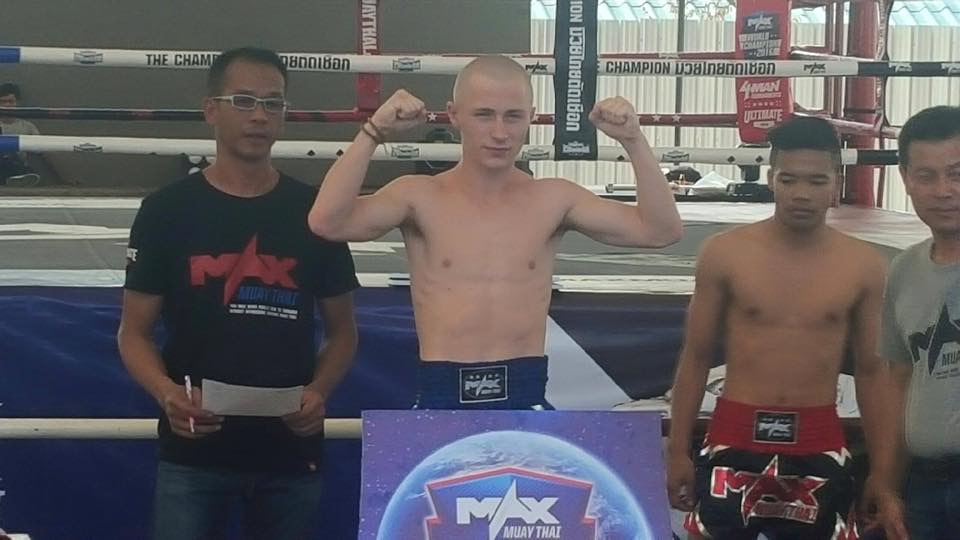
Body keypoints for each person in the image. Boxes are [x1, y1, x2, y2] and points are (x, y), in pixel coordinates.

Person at [309, 55, 681, 410]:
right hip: (441, 388)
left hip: (524, 389)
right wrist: (373, 133)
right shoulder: (418, 196)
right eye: (484, 115)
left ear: (531, 117)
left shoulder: (554, 199)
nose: (500, 133)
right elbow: (327, 221)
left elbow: (660, 231)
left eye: (513, 116)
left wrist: (633, 140)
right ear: (454, 114)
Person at [117, 47, 359, 540]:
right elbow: (133, 332)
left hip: (289, 452)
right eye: (244, 100)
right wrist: (168, 394)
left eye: (273, 103)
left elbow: (344, 332)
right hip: (194, 453)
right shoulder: (166, 211)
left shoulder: (316, 212)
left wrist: (319, 392)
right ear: (211, 109)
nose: (259, 116)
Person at [665, 116, 893, 539]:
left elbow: (872, 373)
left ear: (836, 183)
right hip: (733, 433)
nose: (801, 194)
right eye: (789, 180)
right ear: (771, 179)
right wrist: (678, 451)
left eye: (816, 181)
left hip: (819, 438)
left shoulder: (864, 266)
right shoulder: (725, 253)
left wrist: (883, 471)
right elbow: (695, 357)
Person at [877, 105, 960, 540]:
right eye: (926, 176)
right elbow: (899, 381)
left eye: (957, 174)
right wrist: (889, 485)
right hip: (924, 487)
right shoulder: (904, 270)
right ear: (905, 179)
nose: (943, 191)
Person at [0, 83, 41, 186]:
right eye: (3, 101)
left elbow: (41, 150)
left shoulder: (27, 126)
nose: (7, 105)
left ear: (17, 103)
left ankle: (18, 177)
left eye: (10, 101)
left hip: (17, 165)